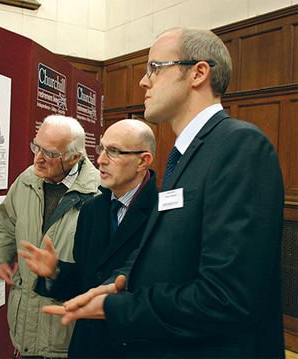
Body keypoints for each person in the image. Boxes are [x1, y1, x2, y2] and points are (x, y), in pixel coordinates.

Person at [43, 27, 285, 359]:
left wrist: (118, 308)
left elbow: (227, 297)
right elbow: (172, 254)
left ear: (198, 73)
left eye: (155, 68)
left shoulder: (239, 146)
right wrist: (119, 280)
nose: (144, 81)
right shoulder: (186, 157)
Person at [18, 119, 158, 358]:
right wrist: (55, 271)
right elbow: (85, 282)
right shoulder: (92, 209)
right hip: (88, 346)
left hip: (134, 347)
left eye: (113, 152)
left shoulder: (162, 213)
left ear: (142, 161)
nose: (100, 160)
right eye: (101, 149)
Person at [0, 115, 100, 359]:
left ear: (74, 157)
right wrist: (0, 256)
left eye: (49, 153)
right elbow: (7, 224)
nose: (37, 157)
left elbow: (101, 272)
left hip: (64, 333)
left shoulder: (99, 194)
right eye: (36, 147)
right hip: (23, 325)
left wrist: (56, 270)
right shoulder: (27, 180)